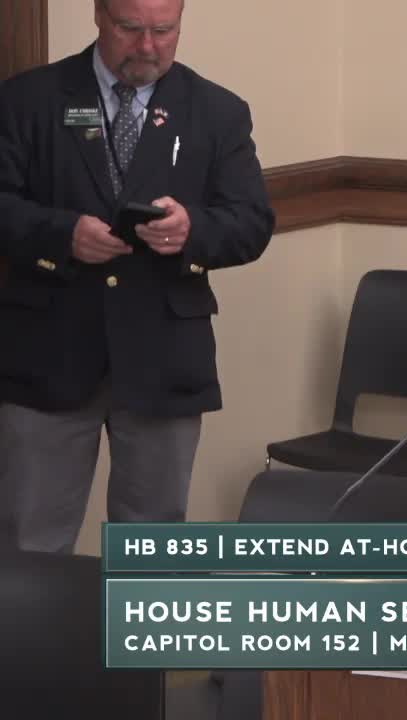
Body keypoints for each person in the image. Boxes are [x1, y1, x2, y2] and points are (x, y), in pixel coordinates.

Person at [0, 0, 274, 553]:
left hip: (163, 355)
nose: (148, 46)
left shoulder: (217, 111)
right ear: (99, 16)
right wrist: (61, 235)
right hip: (48, 355)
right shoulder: (28, 99)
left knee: (151, 549)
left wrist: (191, 230)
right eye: (130, 28)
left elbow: (251, 222)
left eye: (163, 30)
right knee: (30, 543)